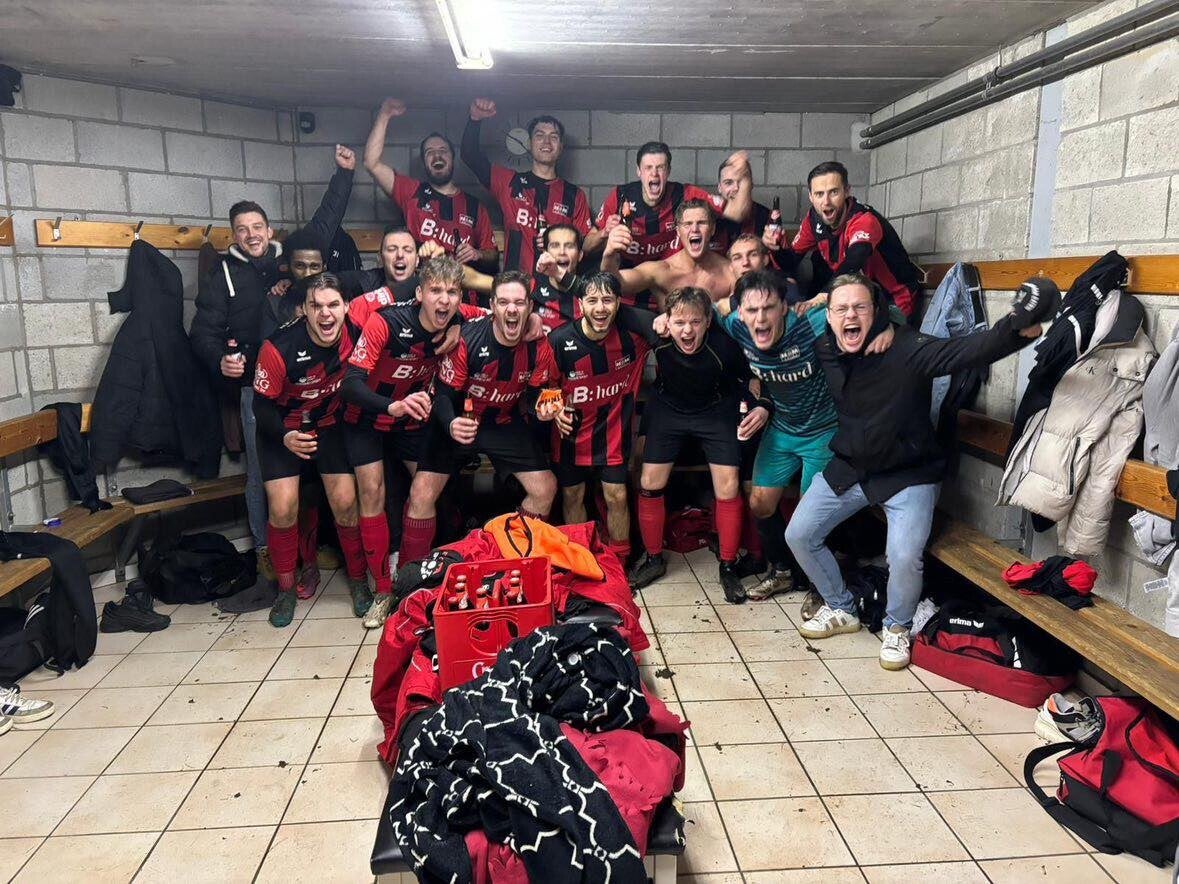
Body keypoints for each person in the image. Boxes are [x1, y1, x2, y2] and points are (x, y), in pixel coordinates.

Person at [786, 273, 1057, 670]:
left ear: (876, 311)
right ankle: (841, 607)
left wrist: (1017, 328)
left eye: (860, 307)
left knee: (903, 555)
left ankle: (897, 627)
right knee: (799, 534)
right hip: (853, 468)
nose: (850, 315)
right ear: (829, 317)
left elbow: (965, 351)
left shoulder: (908, 348)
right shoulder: (826, 347)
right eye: (841, 309)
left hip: (908, 474)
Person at [190, 144, 356, 576]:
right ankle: (266, 551)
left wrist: (343, 175)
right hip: (256, 388)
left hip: (307, 382)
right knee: (263, 472)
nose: (251, 234)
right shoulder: (222, 275)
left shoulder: (290, 261)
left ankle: (312, 545)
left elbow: (324, 224)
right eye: (242, 229)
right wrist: (220, 361)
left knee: (314, 467)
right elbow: (202, 333)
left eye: (257, 226)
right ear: (234, 236)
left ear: (268, 229)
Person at [339, 256, 468, 628]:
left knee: (430, 491)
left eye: (452, 293)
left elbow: (505, 315)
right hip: (367, 417)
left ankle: (410, 584)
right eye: (436, 291)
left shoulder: (458, 316)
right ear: (419, 294)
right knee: (372, 492)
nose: (444, 300)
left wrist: (460, 324)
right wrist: (389, 405)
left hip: (410, 420)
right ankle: (383, 592)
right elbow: (350, 384)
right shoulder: (386, 322)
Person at [402, 271, 560, 557]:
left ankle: (512, 557)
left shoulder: (539, 346)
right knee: (421, 493)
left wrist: (544, 410)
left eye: (519, 303)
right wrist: (451, 424)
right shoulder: (468, 339)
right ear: (493, 306)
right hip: (458, 421)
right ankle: (410, 573)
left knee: (545, 488)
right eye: (504, 302)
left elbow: (537, 395)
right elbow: (443, 397)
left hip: (502, 421)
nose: (512, 309)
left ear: (530, 307)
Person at [714, 270, 849, 601]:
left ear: (784, 307)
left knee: (811, 518)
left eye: (769, 308)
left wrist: (883, 325)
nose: (760, 318)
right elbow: (710, 308)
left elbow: (870, 306)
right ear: (741, 313)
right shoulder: (736, 325)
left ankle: (820, 589)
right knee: (760, 503)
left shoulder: (811, 321)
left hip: (822, 430)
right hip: (783, 428)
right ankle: (782, 572)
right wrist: (664, 320)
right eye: (751, 310)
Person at [630, 286, 767, 603]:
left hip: (715, 411)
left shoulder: (725, 345)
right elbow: (618, 311)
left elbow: (754, 376)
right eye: (679, 322)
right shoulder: (659, 333)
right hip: (668, 410)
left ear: (708, 321)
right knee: (649, 482)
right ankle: (654, 558)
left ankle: (728, 565)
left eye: (695, 322)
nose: (687, 331)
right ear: (668, 321)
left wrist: (761, 403)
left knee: (728, 485)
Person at [252, 274, 373, 627]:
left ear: (346, 307)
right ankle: (286, 591)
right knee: (283, 507)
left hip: (329, 427)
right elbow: (261, 407)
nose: (325, 314)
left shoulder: (358, 333)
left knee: (346, 503)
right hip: (282, 430)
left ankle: (358, 583)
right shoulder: (277, 347)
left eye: (333, 304)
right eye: (316, 306)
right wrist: (285, 436)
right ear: (304, 310)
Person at [547, 272, 660, 564]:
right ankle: (579, 562)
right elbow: (543, 385)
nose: (600, 308)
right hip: (571, 436)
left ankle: (620, 561)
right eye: (593, 300)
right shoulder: (559, 340)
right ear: (580, 304)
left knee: (616, 495)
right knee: (573, 495)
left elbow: (664, 325)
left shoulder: (633, 338)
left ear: (619, 303)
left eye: (608, 300)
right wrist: (555, 408)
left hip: (613, 434)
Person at [774, 160, 921, 318]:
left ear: (846, 191)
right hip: (857, 301)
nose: (826, 201)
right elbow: (790, 262)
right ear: (811, 197)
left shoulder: (863, 219)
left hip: (894, 300)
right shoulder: (813, 220)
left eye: (833, 192)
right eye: (819, 194)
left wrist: (821, 296)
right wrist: (775, 247)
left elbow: (853, 262)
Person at [365, 98, 498, 270]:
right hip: (420, 283)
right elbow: (371, 163)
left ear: (452, 158)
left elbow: (493, 255)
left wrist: (477, 254)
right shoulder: (412, 192)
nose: (437, 156)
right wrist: (384, 114)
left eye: (443, 151)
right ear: (424, 162)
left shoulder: (474, 206)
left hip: (462, 284)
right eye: (430, 152)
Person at [461, 98, 591, 274]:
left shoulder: (574, 195)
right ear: (529, 144)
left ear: (561, 147)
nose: (546, 142)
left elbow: (585, 245)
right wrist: (475, 119)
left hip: (557, 286)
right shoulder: (509, 182)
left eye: (553, 137)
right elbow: (470, 156)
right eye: (540, 136)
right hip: (516, 287)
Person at [582, 142, 750, 267]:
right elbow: (586, 246)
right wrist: (605, 233)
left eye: (660, 167)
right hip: (628, 291)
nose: (654, 174)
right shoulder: (620, 196)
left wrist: (745, 177)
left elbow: (737, 212)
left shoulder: (685, 194)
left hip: (671, 288)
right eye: (648, 168)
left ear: (668, 171)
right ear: (639, 171)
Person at [601, 198, 739, 309]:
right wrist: (609, 254)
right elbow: (614, 284)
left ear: (713, 229)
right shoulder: (662, 271)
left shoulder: (730, 271)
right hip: (670, 336)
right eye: (687, 224)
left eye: (701, 223)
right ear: (678, 231)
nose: (694, 229)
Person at [462, 224, 588, 335]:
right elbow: (473, 279)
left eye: (569, 246)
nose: (562, 252)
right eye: (555, 245)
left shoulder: (589, 293)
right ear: (545, 253)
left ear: (580, 255)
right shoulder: (530, 286)